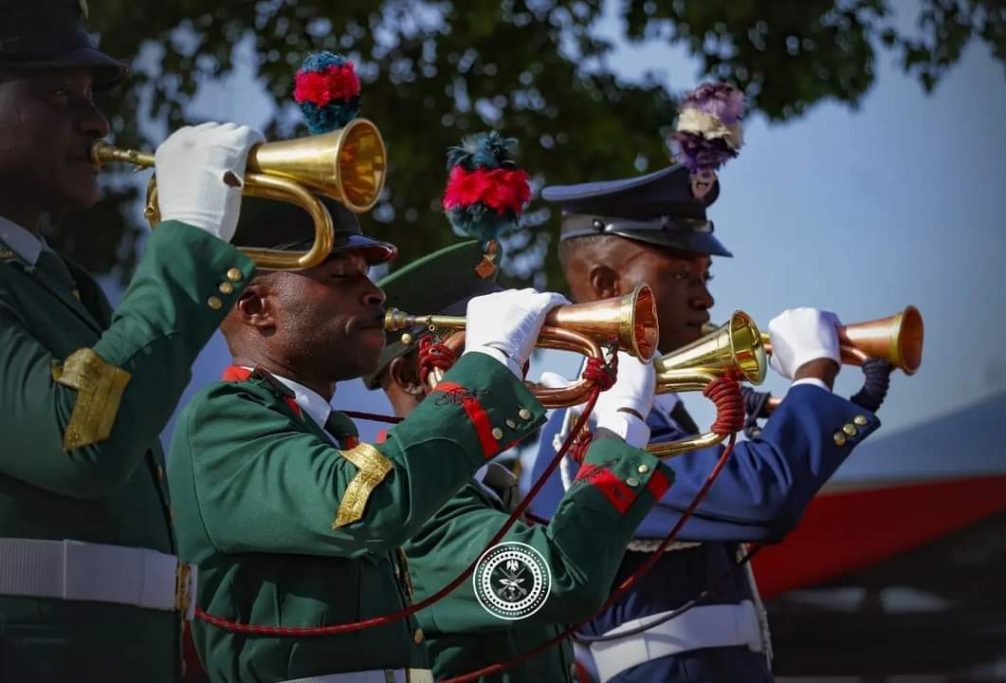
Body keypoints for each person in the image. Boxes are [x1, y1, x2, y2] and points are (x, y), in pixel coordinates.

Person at [167, 199, 573, 682]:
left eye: (368, 275)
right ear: (256, 308)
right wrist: (489, 361)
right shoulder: (225, 419)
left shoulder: (327, 434)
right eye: (341, 276)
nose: (374, 294)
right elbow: (367, 504)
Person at [526, 162, 883, 682]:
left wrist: (842, 394)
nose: (706, 298)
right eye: (678, 275)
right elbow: (762, 498)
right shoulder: (595, 423)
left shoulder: (657, 413)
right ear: (606, 286)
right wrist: (811, 375)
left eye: (703, 276)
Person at [0, 2, 264, 679]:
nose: (97, 122)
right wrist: (188, 242)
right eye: (57, 93)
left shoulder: (62, 285)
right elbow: (81, 435)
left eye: (90, 95)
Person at [361, 241, 675, 682]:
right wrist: (620, 427)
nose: (517, 370)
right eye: (489, 353)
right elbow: (561, 580)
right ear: (413, 377)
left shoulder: (492, 488)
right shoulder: (420, 504)